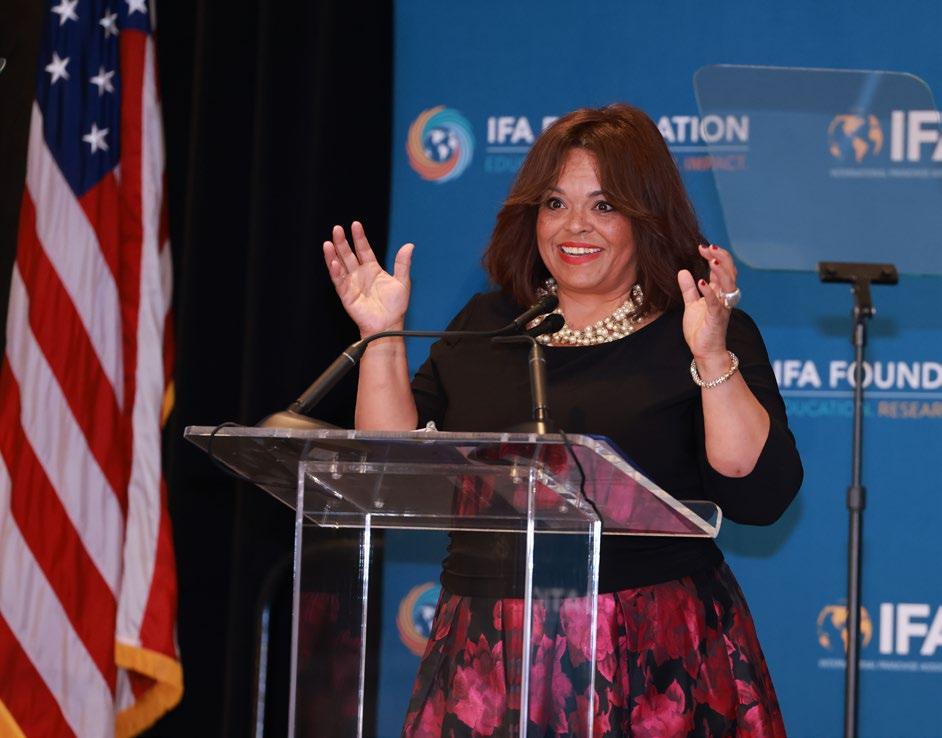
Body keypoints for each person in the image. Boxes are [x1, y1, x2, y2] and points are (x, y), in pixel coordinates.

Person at [323, 104, 802, 738]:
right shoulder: (488, 324)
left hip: (650, 650)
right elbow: (388, 467)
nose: (575, 226)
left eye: (604, 205)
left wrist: (711, 354)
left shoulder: (697, 329)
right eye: (555, 203)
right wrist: (381, 335)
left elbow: (757, 492)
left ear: (647, 216)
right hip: (487, 645)